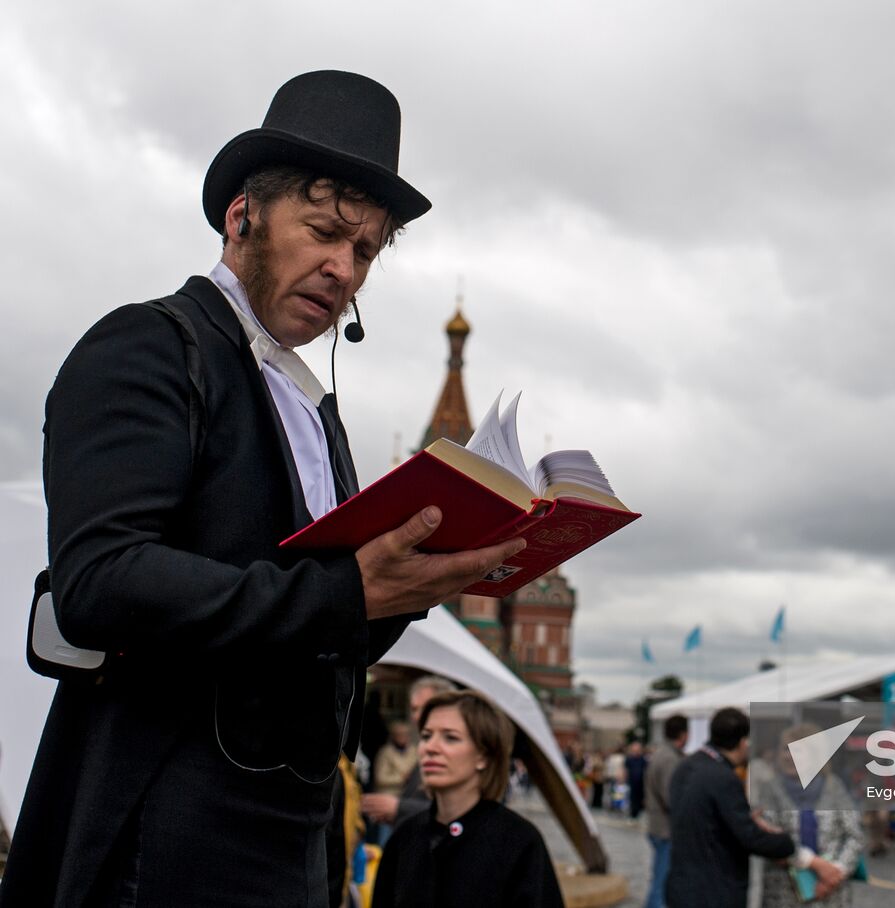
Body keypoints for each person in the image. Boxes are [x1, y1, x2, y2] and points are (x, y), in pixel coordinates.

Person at [0, 71, 527, 908]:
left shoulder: (318, 416)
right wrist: (347, 592)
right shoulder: (149, 346)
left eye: (364, 252)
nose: (342, 268)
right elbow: (101, 581)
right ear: (242, 215)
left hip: (297, 837)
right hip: (166, 835)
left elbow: (327, 632)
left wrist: (415, 583)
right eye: (324, 232)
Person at [373, 689, 564, 907]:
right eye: (426, 736)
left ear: (483, 755)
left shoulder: (519, 842)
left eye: (450, 738)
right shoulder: (405, 838)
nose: (431, 748)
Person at [666, 707, 840, 908]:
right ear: (743, 742)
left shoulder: (686, 767)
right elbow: (750, 837)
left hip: (682, 886)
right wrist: (786, 843)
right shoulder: (723, 778)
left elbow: (706, 819)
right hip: (713, 892)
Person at [752, 723, 865, 907]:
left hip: (831, 893)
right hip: (784, 893)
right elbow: (770, 839)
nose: (788, 756)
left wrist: (835, 873)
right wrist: (814, 863)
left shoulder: (833, 787)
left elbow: (854, 835)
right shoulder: (770, 789)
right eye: (784, 750)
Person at [363, 674, 457, 830]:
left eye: (426, 707)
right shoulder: (422, 748)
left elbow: (456, 812)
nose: (417, 716)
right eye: (414, 709)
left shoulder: (456, 752)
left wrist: (399, 808)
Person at [644, 715, 689, 908]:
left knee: (659, 881)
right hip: (665, 829)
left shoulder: (661, 754)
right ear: (684, 734)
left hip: (658, 826)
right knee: (661, 885)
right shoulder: (669, 758)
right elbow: (672, 797)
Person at [627, 740, 649, 818]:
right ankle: (633, 813)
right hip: (631, 783)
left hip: (641, 784)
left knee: (640, 799)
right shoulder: (629, 759)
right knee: (632, 799)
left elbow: (647, 770)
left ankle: (638, 812)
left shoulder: (643, 760)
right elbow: (625, 769)